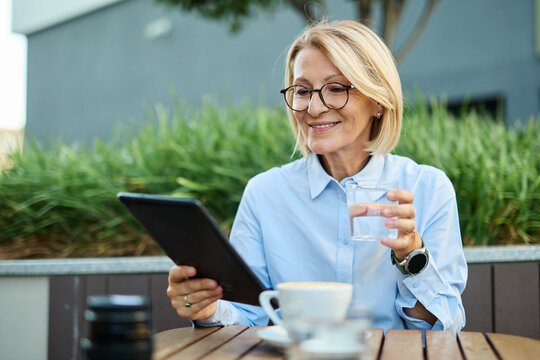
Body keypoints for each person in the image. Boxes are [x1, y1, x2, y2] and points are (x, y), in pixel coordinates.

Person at [167, 20, 467, 332]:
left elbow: (440, 331)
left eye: (335, 89)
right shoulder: (264, 194)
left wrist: (411, 256)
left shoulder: (428, 189)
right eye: (302, 90)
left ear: (377, 100)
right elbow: (247, 317)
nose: (313, 107)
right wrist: (209, 308)